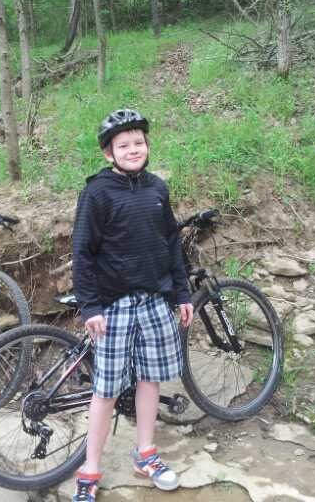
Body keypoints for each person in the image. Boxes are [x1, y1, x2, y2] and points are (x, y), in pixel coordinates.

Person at [71, 108, 194, 501]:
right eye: (123, 145)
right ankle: (90, 469)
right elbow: (83, 251)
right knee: (105, 391)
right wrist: (90, 307)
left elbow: (171, 243)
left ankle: (146, 453)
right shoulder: (97, 193)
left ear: (148, 146)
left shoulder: (158, 188)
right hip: (114, 308)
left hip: (156, 301)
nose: (133, 149)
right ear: (109, 153)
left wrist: (182, 293)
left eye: (138, 143)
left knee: (150, 380)